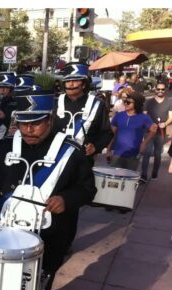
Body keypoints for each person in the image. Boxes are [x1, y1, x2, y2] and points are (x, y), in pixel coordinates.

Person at [0, 91, 96, 290]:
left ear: (50, 119)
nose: (28, 129)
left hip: (53, 234)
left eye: (36, 123)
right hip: (9, 231)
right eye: (23, 123)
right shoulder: (5, 147)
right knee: (4, 286)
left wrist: (66, 200)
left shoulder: (70, 151)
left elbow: (87, 189)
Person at [54, 62, 113, 250]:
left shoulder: (98, 105)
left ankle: (65, 243)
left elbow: (107, 132)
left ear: (85, 83)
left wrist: (95, 146)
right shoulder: (56, 102)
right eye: (67, 81)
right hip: (54, 160)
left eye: (75, 81)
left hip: (80, 163)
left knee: (71, 204)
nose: (70, 85)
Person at [106, 91, 157, 171]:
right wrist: (108, 150)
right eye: (125, 101)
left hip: (133, 155)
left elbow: (153, 129)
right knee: (115, 180)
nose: (125, 103)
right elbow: (112, 134)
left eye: (128, 102)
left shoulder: (144, 118)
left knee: (129, 181)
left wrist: (144, 143)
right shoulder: (119, 116)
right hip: (117, 154)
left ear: (137, 104)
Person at [140, 81, 172, 182]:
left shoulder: (169, 102)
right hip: (149, 131)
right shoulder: (148, 102)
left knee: (157, 153)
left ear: (165, 90)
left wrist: (165, 123)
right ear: (155, 89)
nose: (160, 91)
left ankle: (154, 174)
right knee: (147, 152)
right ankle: (144, 175)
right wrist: (149, 124)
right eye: (158, 89)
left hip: (161, 132)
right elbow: (144, 115)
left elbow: (171, 117)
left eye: (162, 89)